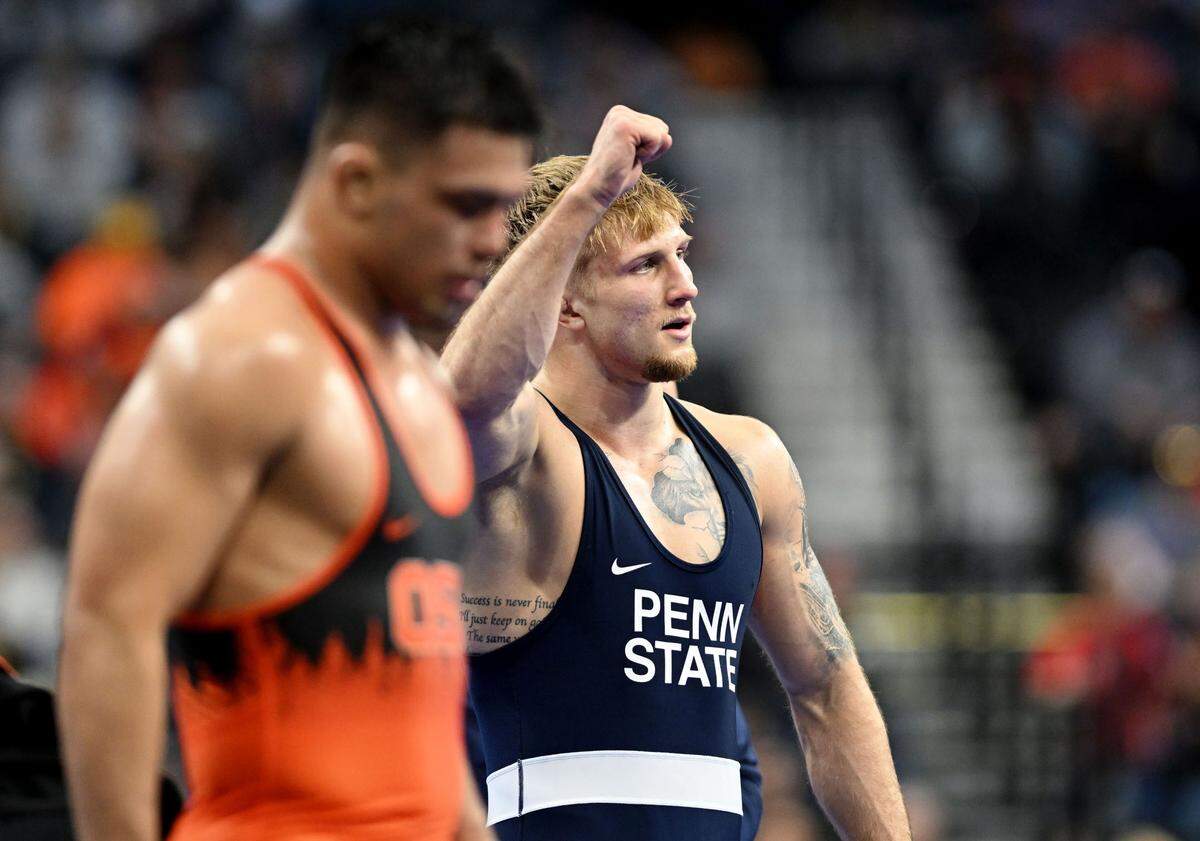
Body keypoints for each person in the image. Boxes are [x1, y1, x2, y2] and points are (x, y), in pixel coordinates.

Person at [56, 18, 540, 841]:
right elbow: (109, 629)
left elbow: (416, 704)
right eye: (466, 205)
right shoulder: (239, 358)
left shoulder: (414, 378)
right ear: (355, 182)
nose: (491, 241)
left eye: (504, 207)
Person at [442, 107, 911, 839]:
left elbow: (826, 689)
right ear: (565, 299)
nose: (686, 284)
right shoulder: (532, 457)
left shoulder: (750, 461)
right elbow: (458, 407)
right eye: (646, 264)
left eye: (682, 255)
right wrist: (586, 197)